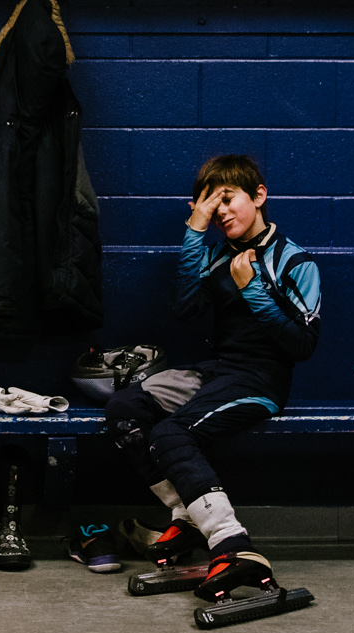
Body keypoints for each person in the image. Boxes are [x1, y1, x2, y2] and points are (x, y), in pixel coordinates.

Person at [100, 153, 321, 600]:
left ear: (259, 196)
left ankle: (235, 547)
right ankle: (189, 519)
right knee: (124, 408)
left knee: (170, 435)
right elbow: (185, 307)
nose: (221, 212)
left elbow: (302, 346)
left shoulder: (295, 261)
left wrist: (253, 291)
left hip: (262, 380)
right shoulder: (220, 256)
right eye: (210, 204)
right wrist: (195, 231)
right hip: (219, 371)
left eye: (228, 199)